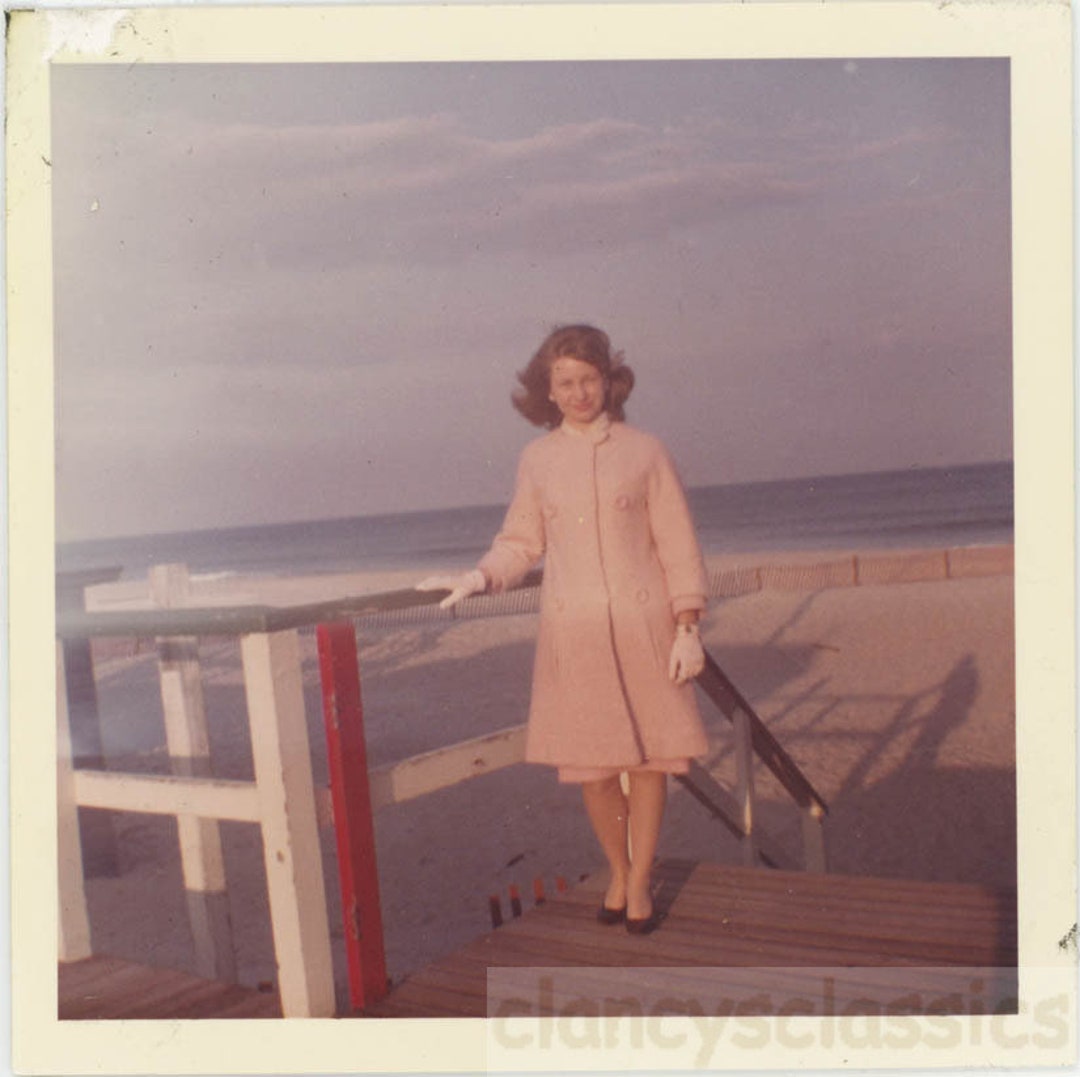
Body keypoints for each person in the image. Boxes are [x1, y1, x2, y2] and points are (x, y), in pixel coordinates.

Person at [418, 324, 708, 934]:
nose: (579, 393)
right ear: (547, 392)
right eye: (565, 383)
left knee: (652, 762)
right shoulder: (539, 460)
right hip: (575, 635)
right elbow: (521, 541)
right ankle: (618, 869)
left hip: (645, 625)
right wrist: (478, 577)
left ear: (609, 380)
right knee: (596, 771)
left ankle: (639, 882)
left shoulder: (646, 451)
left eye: (588, 380)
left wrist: (688, 625)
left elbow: (677, 543)